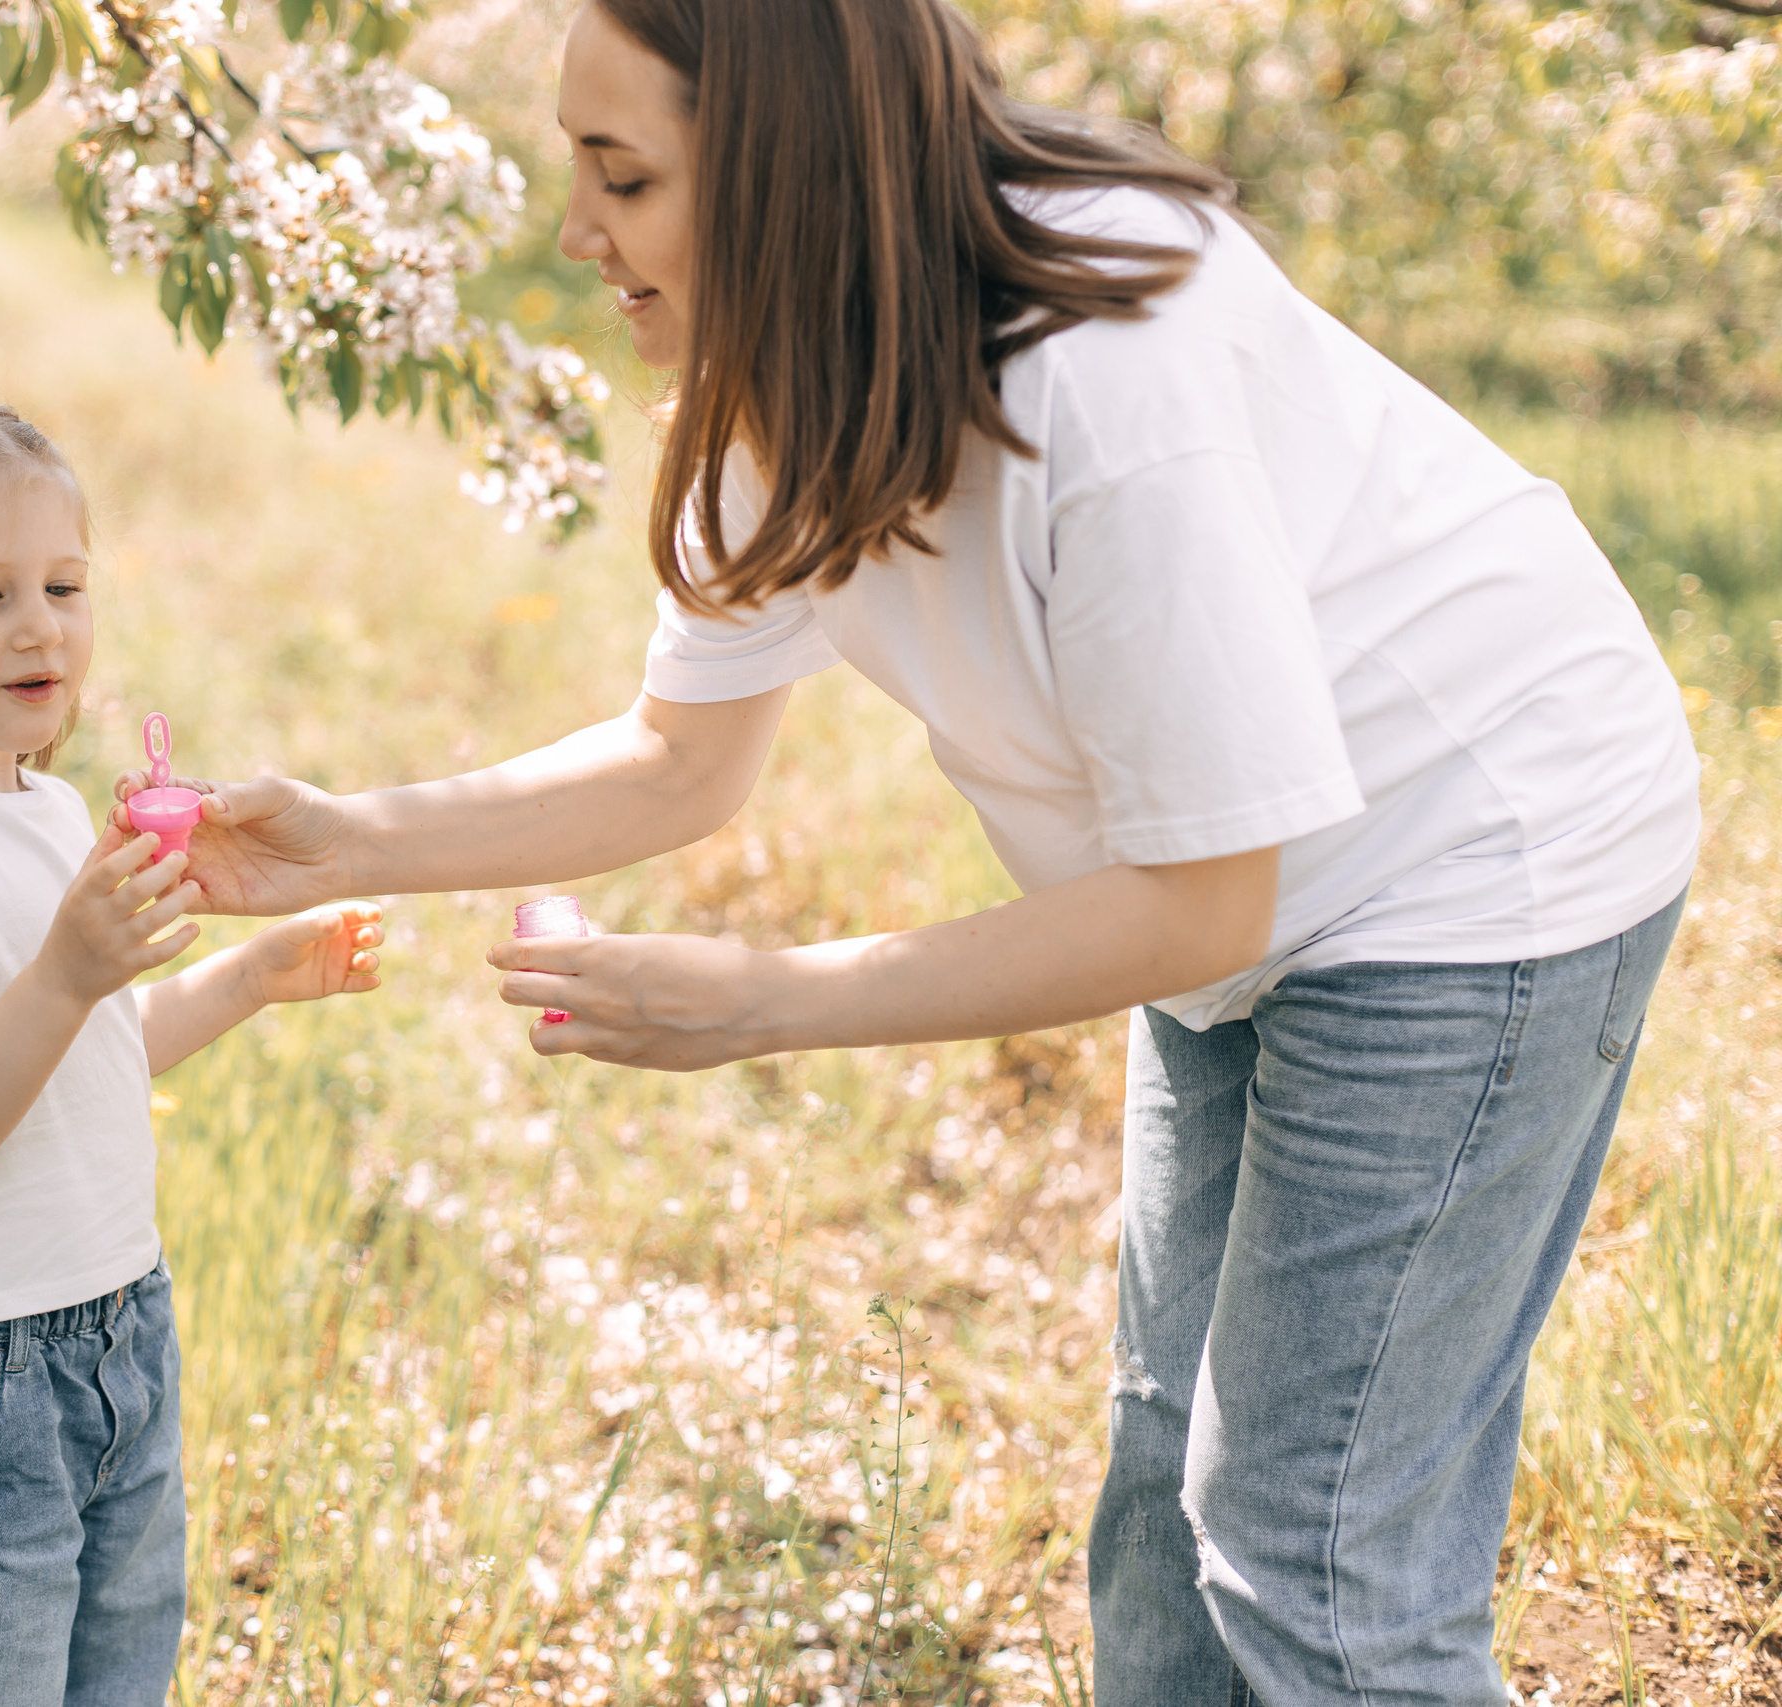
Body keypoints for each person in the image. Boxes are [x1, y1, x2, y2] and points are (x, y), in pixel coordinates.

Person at [119, 2, 1701, 1700]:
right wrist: (341, 839)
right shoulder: (776, 374)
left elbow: (1204, 899)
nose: (573, 231)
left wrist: (772, 998)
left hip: (1475, 859)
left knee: (1313, 1558)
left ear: (789, 170)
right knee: (1171, 1485)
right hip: (1228, 886)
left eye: (623, 176)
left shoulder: (1104, 376)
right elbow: (677, 761)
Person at [0, 399, 383, 1707]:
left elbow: (86, 1060)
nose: (42, 625)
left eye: (64, 585)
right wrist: (66, 969)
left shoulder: (49, 812)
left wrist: (255, 977)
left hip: (114, 1339)